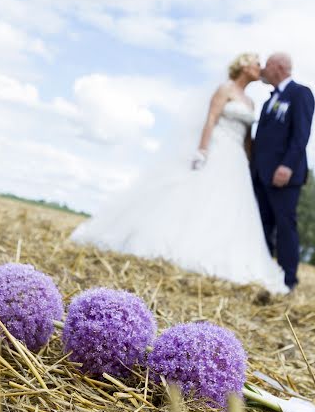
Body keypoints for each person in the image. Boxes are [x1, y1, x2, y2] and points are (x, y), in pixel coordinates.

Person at [70, 53, 288, 294]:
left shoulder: (251, 103)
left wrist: (250, 163)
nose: (260, 67)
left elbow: (247, 138)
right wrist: (203, 150)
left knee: (229, 207)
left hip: (236, 158)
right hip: (217, 148)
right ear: (244, 66)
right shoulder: (225, 89)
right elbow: (212, 118)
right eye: (256, 62)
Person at [251, 53, 315, 290]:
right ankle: (265, 272)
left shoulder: (300, 94)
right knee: (263, 224)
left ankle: (289, 280)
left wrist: (287, 165)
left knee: (285, 224)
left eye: (266, 65)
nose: (263, 71)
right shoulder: (269, 101)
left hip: (284, 175)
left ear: (278, 67)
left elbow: (301, 134)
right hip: (261, 174)